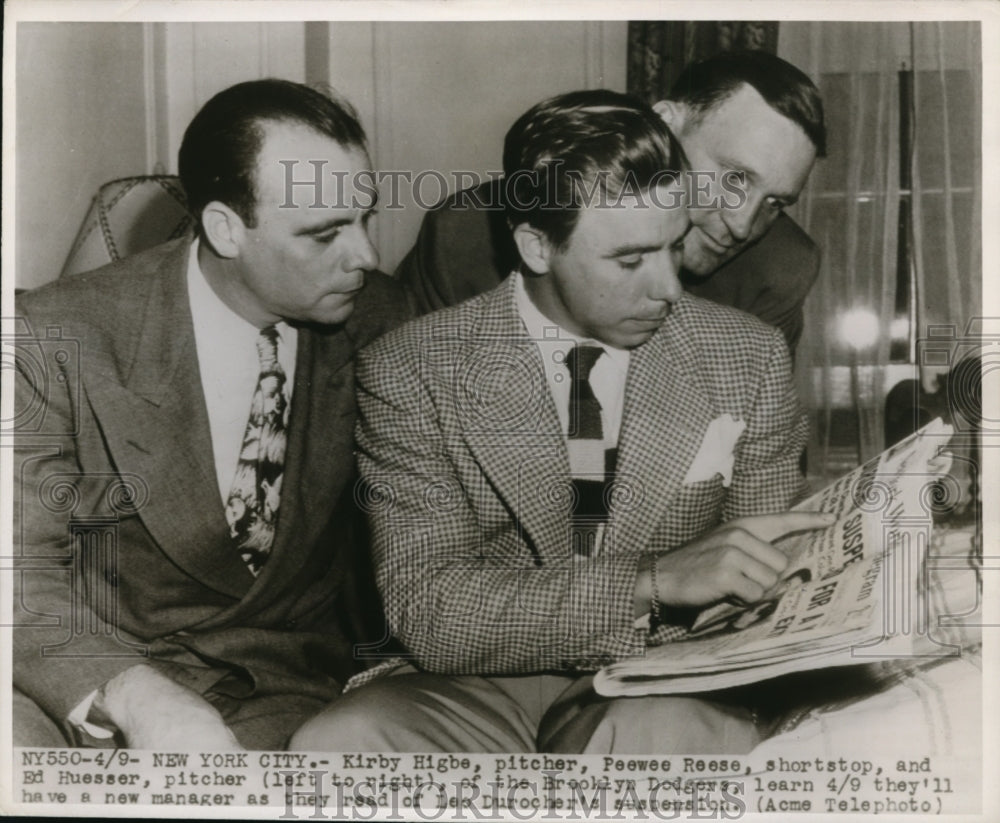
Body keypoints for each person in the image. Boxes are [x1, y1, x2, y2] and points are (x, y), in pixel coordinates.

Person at [291, 90, 832, 755]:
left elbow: (761, 597)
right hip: (477, 680)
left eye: (673, 245)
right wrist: (651, 578)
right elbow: (431, 611)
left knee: (663, 735)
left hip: (669, 675)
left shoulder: (748, 356)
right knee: (340, 741)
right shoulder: (411, 367)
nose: (668, 286)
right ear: (537, 247)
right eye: (630, 260)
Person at [12, 79, 409, 750]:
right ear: (226, 228)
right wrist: (131, 690)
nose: (366, 256)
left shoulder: (383, 323)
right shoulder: (56, 335)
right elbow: (16, 572)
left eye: (364, 218)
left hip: (279, 697)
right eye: (325, 233)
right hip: (76, 681)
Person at [396, 50, 824, 353]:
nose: (744, 225)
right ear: (666, 123)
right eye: (734, 178)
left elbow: (751, 440)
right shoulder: (465, 234)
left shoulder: (780, 268)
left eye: (775, 203)